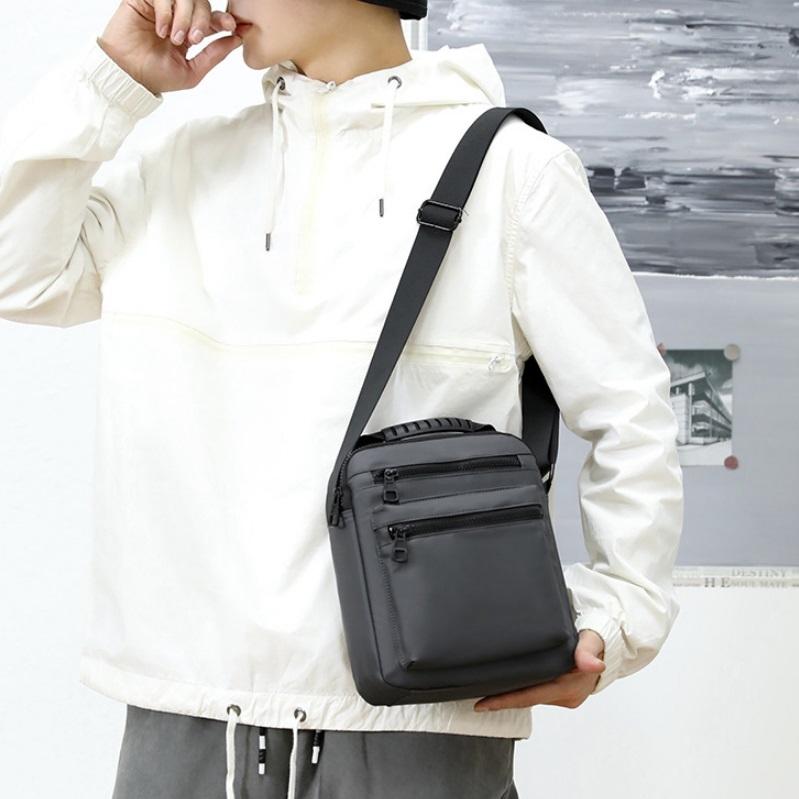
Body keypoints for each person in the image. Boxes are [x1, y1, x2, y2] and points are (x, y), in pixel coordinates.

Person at [0, 1, 684, 797]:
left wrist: (617, 614)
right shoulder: (179, 162)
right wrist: (112, 79)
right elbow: (20, 275)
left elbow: (628, 409)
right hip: (186, 706)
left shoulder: (514, 171)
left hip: (419, 709)